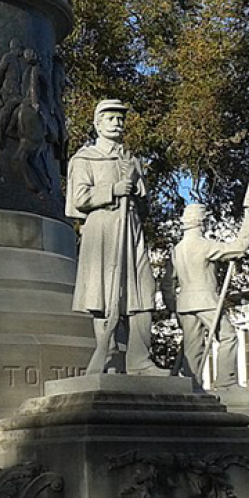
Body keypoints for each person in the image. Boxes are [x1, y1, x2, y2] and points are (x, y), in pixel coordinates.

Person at [67, 99, 167, 376]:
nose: (116, 122)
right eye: (110, 118)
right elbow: (78, 197)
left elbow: (145, 201)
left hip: (131, 226)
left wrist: (135, 194)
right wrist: (112, 190)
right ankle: (107, 353)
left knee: (143, 290)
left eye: (120, 118)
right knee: (102, 293)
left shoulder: (132, 160)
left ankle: (140, 360)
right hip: (102, 228)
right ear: (97, 123)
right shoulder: (84, 158)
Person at [164, 191, 249, 390]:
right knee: (228, 336)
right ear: (201, 222)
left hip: (184, 304)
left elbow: (166, 283)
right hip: (205, 300)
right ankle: (226, 381)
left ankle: (191, 384)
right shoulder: (204, 245)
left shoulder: (176, 250)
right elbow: (238, 248)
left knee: (192, 346)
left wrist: (173, 305)